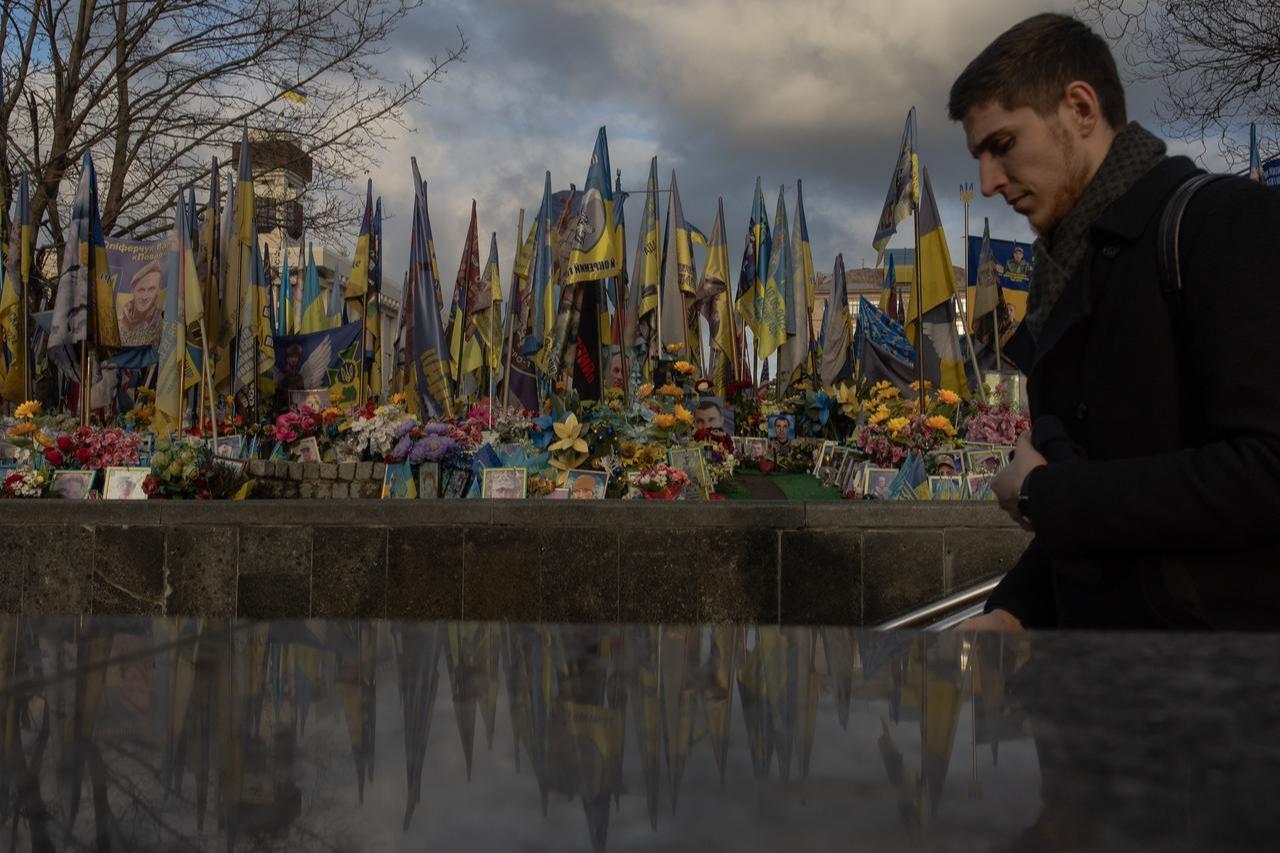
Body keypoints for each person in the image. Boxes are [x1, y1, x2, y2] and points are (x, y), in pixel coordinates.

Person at [949, 13, 1280, 633]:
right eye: (979, 157)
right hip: (1097, 700)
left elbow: (1267, 473)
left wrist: (1044, 496)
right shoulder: (1062, 274)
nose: (988, 182)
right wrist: (1016, 609)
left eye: (1003, 145)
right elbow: (1105, 499)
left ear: (1079, 108)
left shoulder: (1225, 225)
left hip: (1225, 705)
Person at [117, 260, 164, 347]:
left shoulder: (163, 324)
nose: (145, 297)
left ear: (158, 290)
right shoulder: (117, 324)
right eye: (141, 290)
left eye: (151, 289)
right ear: (132, 290)